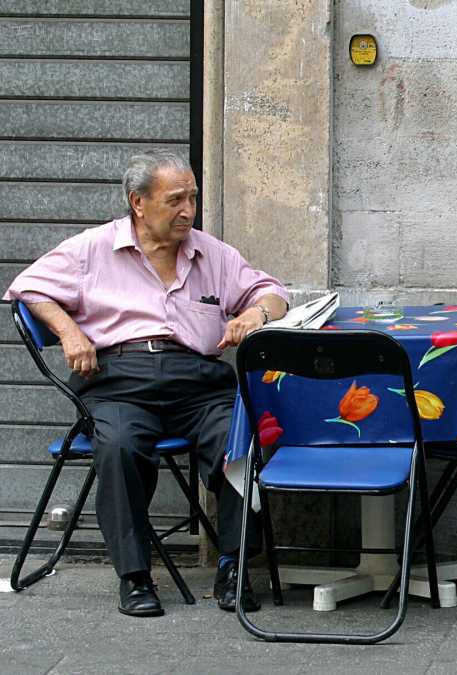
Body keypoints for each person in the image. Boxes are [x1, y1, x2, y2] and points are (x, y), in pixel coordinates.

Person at [3, 150, 289, 618]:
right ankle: (134, 575)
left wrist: (255, 313)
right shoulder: (91, 249)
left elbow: (273, 292)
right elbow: (27, 288)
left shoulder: (210, 252)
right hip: (119, 381)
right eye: (175, 200)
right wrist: (70, 331)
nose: (187, 211)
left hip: (199, 382)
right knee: (118, 447)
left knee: (239, 440)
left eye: (192, 199)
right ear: (138, 202)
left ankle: (233, 566)